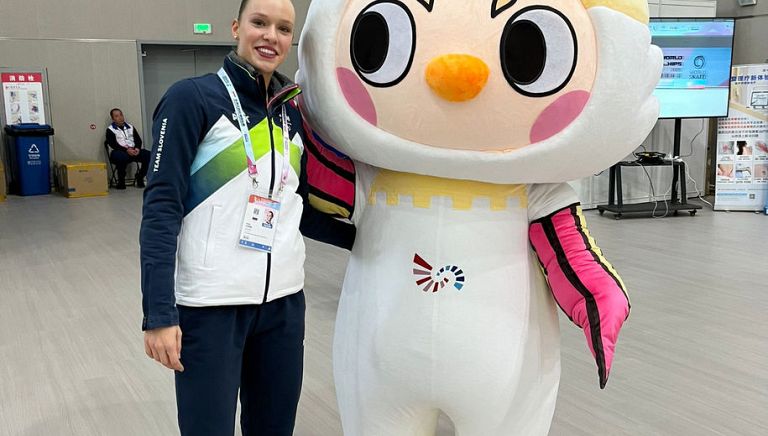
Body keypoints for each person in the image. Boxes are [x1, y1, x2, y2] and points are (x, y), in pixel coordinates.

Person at [139, 1, 354, 435]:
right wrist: (159, 312)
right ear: (237, 27)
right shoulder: (192, 99)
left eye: (283, 28)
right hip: (211, 307)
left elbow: (298, 209)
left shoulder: (292, 114)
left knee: (275, 427)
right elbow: (162, 209)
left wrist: (367, 238)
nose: (271, 36)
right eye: (260, 23)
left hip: (283, 306)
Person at [106, 108, 150, 189]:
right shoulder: (110, 130)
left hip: (133, 150)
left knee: (148, 155)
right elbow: (113, 144)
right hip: (119, 151)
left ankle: (140, 177)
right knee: (121, 157)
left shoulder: (130, 127)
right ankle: (121, 181)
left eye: (121, 115)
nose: (120, 117)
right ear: (113, 119)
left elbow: (138, 140)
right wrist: (126, 150)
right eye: (117, 116)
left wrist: (137, 148)